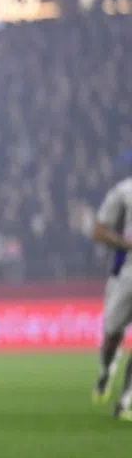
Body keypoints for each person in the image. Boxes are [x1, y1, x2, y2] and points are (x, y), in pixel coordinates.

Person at [90, 176, 132, 418]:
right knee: (112, 334)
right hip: (125, 275)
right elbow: (99, 230)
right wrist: (123, 243)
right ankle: (106, 371)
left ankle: (125, 401)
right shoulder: (125, 191)